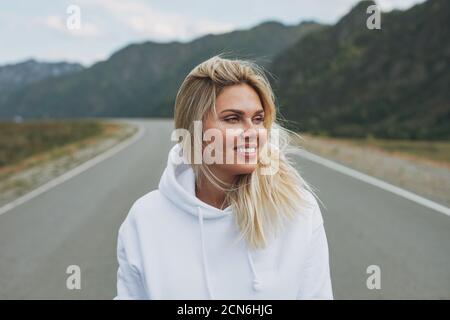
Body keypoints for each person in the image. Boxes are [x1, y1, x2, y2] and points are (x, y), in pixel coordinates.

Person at [114, 55, 333, 299]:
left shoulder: (297, 209)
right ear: (195, 129)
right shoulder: (145, 218)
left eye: (258, 119)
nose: (252, 133)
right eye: (232, 119)